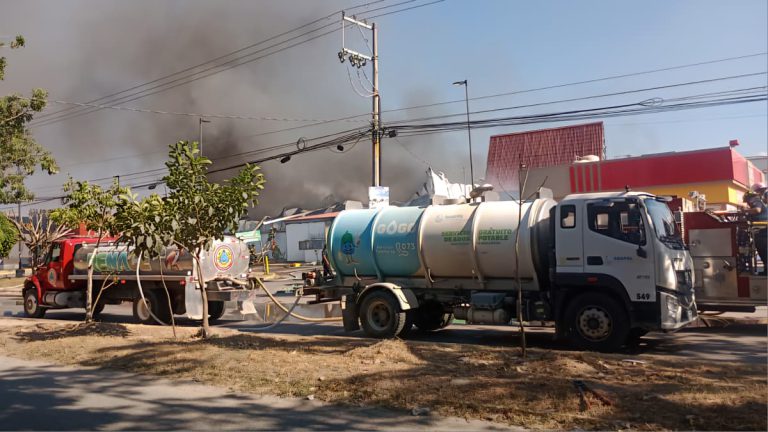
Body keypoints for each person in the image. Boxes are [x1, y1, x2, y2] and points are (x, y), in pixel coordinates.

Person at [744, 183, 767, 275]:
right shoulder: (761, 201)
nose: (762, 192)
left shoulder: (754, 199)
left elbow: (757, 210)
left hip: (762, 231)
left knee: (763, 250)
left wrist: (745, 211)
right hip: (763, 230)